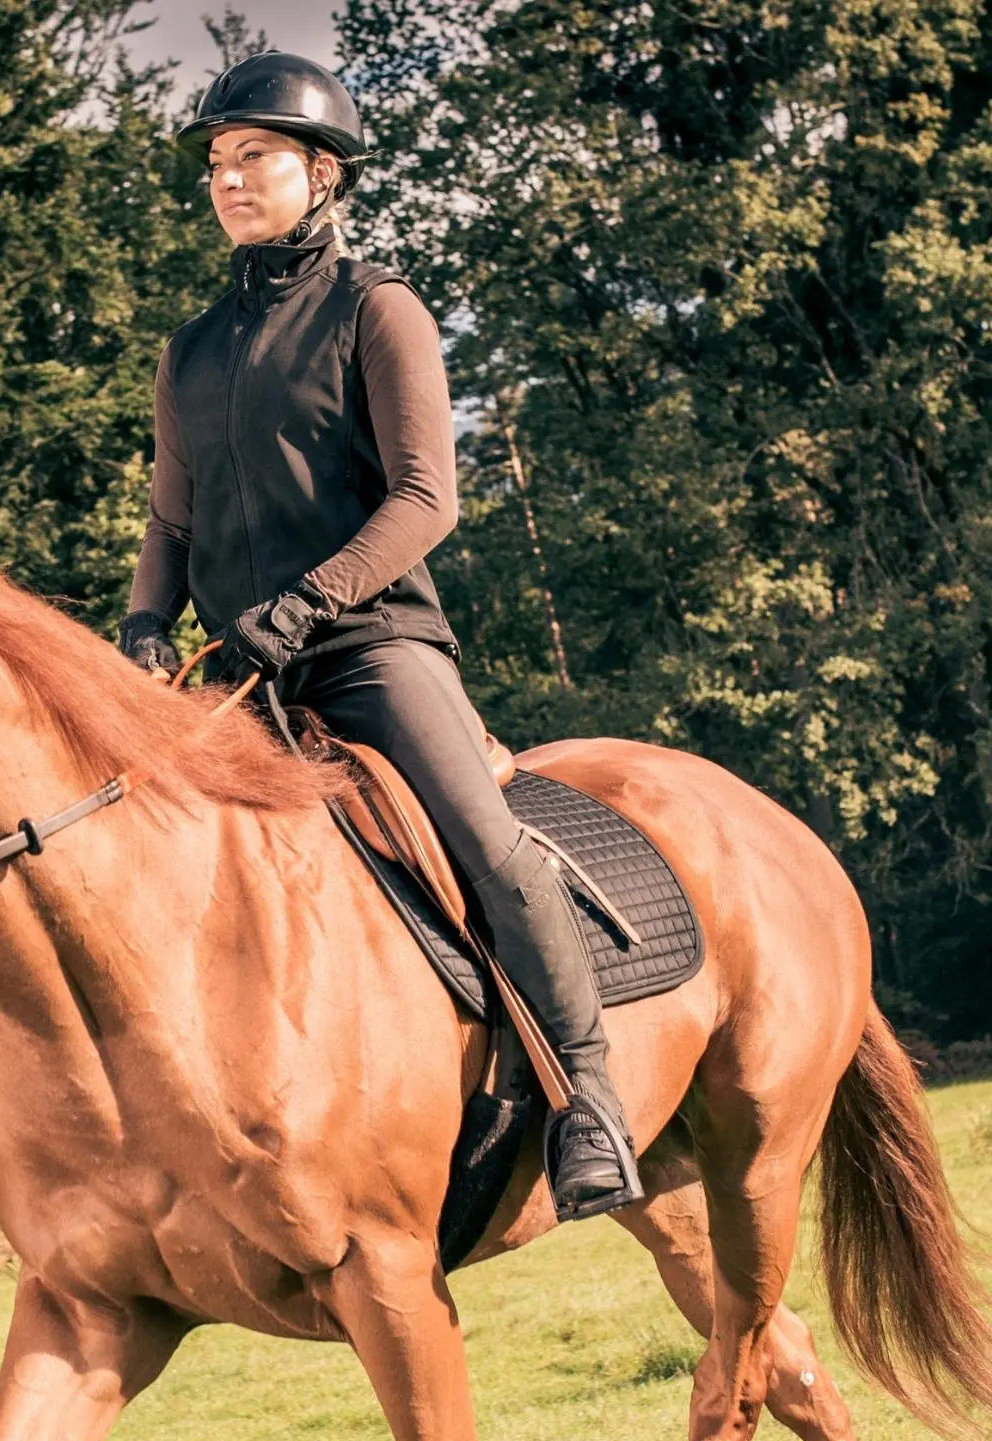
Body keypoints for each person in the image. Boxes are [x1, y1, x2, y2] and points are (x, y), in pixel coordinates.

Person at [120, 52, 643, 1219]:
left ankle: (590, 1099)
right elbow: (172, 514)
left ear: (324, 173)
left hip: (367, 650)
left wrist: (308, 604)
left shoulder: (376, 309)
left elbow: (425, 498)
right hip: (228, 679)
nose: (230, 178)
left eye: (255, 155)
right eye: (217, 161)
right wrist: (146, 620)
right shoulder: (191, 349)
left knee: (485, 839)